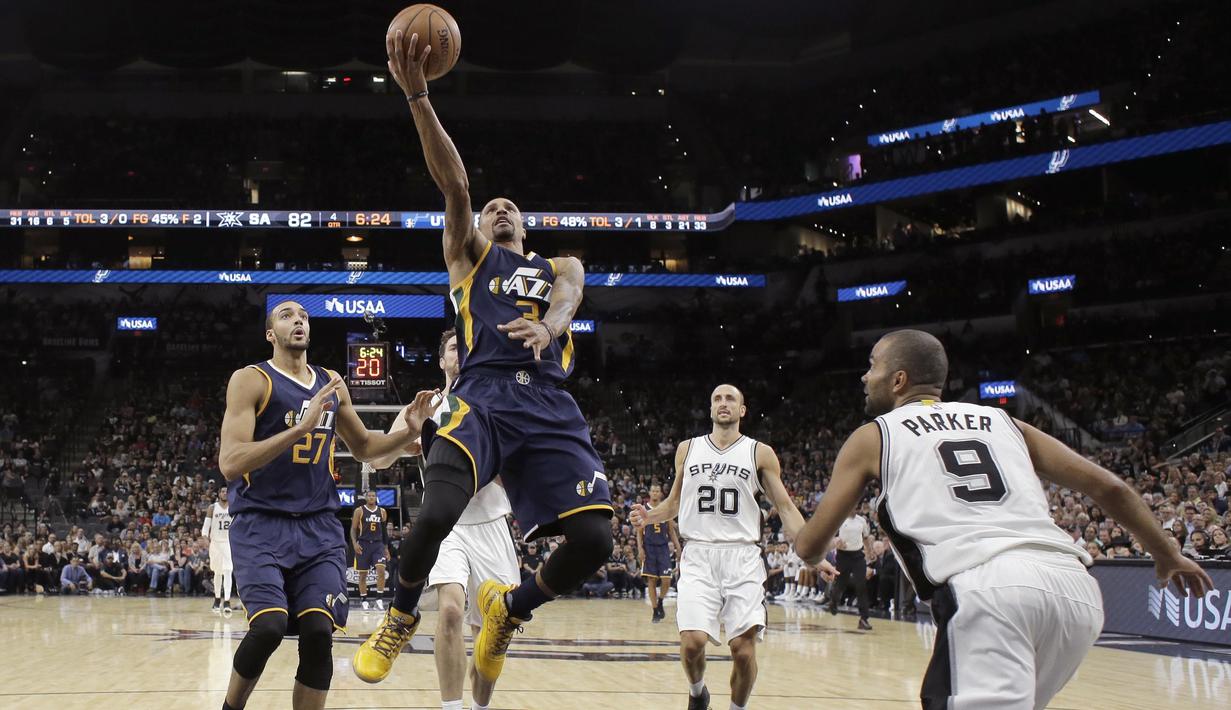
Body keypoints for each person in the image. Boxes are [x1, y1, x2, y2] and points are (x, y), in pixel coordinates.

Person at [353, 32, 614, 693]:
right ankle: (397, 616)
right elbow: (457, 183)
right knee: (435, 512)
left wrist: (549, 327)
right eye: (492, 207)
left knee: (596, 543)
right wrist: (417, 96)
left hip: (549, 403)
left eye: (510, 208)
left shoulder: (559, 265)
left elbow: (568, 297)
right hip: (482, 396)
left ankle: (508, 611)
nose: (498, 209)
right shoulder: (471, 260)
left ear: (523, 226)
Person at [795, 329, 1214, 710]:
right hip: (1074, 592)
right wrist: (1167, 554)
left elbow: (811, 545)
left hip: (987, 587)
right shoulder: (1005, 422)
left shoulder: (875, 435)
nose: (864, 377)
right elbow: (1111, 488)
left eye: (872, 366)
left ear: (899, 380)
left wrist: (801, 540)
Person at [216, 299, 435, 710]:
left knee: (319, 631)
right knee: (269, 627)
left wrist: (409, 434)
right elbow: (230, 463)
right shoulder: (251, 380)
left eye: (303, 316)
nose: (298, 320)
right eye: (286, 316)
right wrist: (301, 427)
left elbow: (366, 447)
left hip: (318, 527)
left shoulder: (332, 383)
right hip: (261, 523)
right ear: (270, 334)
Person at [369, 329, 521, 710]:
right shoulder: (426, 405)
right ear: (441, 360)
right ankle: (451, 707)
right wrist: (412, 432)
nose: (460, 353)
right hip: (446, 526)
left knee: (490, 633)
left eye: (466, 347)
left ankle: (479, 706)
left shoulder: (496, 403)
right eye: (454, 348)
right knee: (450, 609)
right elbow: (377, 460)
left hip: (491, 523)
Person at [632, 384, 805, 710]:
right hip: (698, 553)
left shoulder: (760, 452)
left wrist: (813, 548)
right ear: (710, 409)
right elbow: (674, 504)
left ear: (742, 410)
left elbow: (784, 506)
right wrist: (649, 515)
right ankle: (698, 693)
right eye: (717, 399)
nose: (723, 403)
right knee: (692, 643)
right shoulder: (688, 448)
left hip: (743, 556)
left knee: (742, 649)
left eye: (731, 399)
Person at [636, 483, 681, 622]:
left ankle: (660, 601)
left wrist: (677, 546)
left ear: (661, 493)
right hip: (649, 547)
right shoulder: (643, 509)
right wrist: (640, 548)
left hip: (662, 548)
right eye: (653, 491)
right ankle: (655, 610)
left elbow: (670, 530)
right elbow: (639, 531)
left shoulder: (665, 509)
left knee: (667, 579)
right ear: (649, 493)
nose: (655, 493)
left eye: (657, 491)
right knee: (651, 580)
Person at [827, 511, 874, 630]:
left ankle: (864, 619)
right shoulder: (839, 518)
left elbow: (866, 537)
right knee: (841, 583)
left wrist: (870, 551)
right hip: (843, 555)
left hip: (858, 556)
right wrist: (836, 541)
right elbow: (830, 535)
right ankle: (833, 600)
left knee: (861, 585)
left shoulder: (861, 520)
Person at [351, 489, 389, 611]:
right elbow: (353, 529)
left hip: (377, 545)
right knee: (363, 575)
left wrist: (386, 548)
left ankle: (379, 599)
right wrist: (354, 543)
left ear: (376, 498)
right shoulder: (359, 511)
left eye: (374, 496)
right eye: (370, 496)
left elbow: (384, 532)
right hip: (364, 544)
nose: (372, 497)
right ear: (366, 498)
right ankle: (364, 600)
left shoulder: (382, 511)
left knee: (381, 570)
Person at [203, 485, 234, 614]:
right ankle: (216, 600)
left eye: (227, 491)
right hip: (215, 543)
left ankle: (227, 601)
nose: (225, 493)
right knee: (217, 572)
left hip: (228, 543)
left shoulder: (234, 507)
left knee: (228, 571)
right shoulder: (212, 507)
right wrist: (205, 537)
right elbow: (205, 527)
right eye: (222, 491)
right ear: (219, 493)